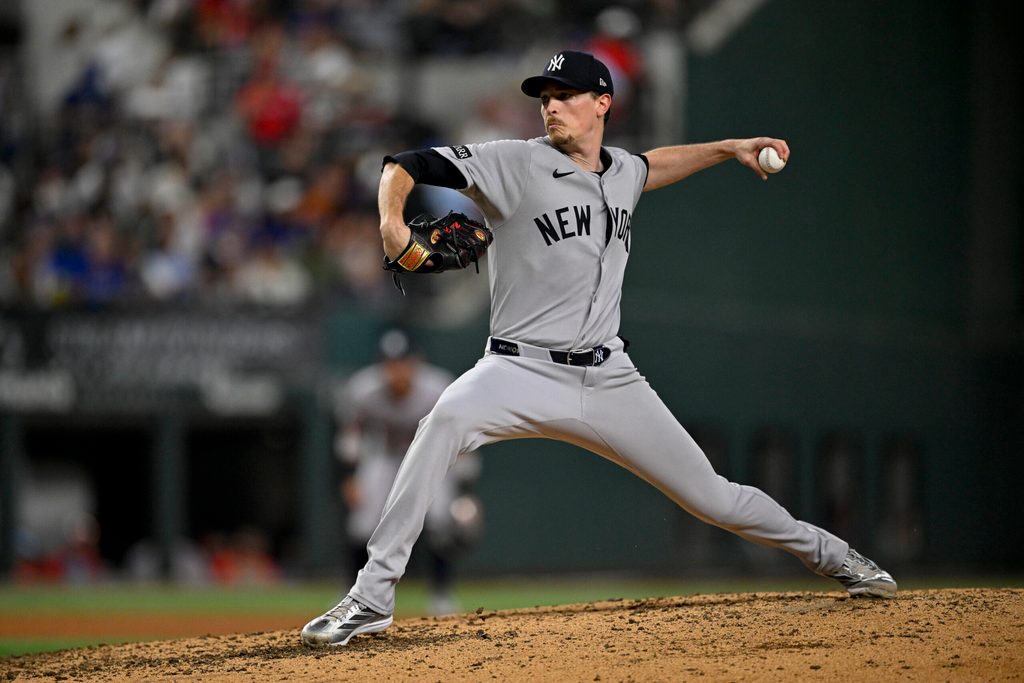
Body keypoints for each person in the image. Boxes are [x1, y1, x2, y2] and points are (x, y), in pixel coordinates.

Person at [301, 50, 897, 648]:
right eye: (545, 97)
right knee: (442, 423)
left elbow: (652, 165)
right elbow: (403, 164)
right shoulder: (514, 162)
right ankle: (372, 597)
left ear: (603, 103)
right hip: (516, 368)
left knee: (714, 497)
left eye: (566, 95)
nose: (552, 106)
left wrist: (729, 147)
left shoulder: (622, 174)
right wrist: (391, 226)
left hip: (610, 377)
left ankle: (838, 558)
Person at [335, 328, 482, 616]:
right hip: (387, 457)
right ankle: (351, 594)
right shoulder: (364, 389)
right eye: (390, 363)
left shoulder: (438, 387)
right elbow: (350, 438)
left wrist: (465, 490)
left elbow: (463, 439)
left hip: (432, 459)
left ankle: (441, 594)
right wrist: (349, 477)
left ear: (417, 362)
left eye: (403, 362)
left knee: (441, 520)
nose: (397, 370)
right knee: (362, 523)